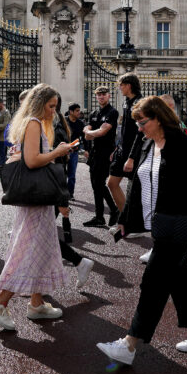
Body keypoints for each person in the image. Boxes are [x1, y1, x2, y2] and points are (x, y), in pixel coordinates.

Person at [96, 96, 187, 365]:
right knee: (180, 280)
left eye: (142, 122)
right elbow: (138, 186)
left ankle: (129, 345)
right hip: (158, 225)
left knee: (153, 282)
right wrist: (126, 220)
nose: (139, 128)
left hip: (179, 224)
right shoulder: (150, 144)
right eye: (137, 122)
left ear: (159, 118)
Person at [0, 84, 73, 330]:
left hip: (35, 200)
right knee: (28, 251)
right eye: (51, 106)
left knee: (40, 249)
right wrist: (59, 151)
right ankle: (0, 301)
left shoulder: (28, 122)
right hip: (36, 200)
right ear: (39, 103)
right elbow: (33, 161)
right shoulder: (34, 123)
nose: (54, 112)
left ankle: (36, 302)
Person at [52, 95, 95, 287]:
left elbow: (55, 160)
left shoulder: (55, 126)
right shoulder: (55, 123)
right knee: (40, 235)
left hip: (49, 184)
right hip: (49, 184)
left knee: (38, 235)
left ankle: (79, 261)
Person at [82, 86, 120, 228]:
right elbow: (87, 135)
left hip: (106, 152)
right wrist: (92, 131)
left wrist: (90, 131)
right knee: (95, 185)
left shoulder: (112, 112)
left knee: (99, 183)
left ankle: (113, 210)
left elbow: (102, 132)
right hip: (95, 152)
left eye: (103, 94)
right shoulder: (94, 113)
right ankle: (99, 217)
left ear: (109, 96)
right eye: (98, 95)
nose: (101, 97)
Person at [107, 73, 141, 226]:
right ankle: (127, 220)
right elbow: (125, 130)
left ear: (129, 85)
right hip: (122, 150)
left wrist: (132, 157)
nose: (119, 87)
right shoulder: (126, 102)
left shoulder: (140, 103)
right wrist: (118, 147)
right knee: (112, 183)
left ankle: (132, 224)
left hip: (134, 153)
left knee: (135, 192)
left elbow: (140, 134)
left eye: (121, 84)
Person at [65, 103, 84, 198]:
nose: (79, 112)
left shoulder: (80, 123)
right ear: (70, 112)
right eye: (77, 110)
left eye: (79, 110)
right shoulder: (63, 121)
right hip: (63, 152)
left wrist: (84, 148)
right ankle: (61, 193)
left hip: (74, 152)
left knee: (71, 175)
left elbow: (83, 137)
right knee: (61, 173)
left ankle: (70, 194)